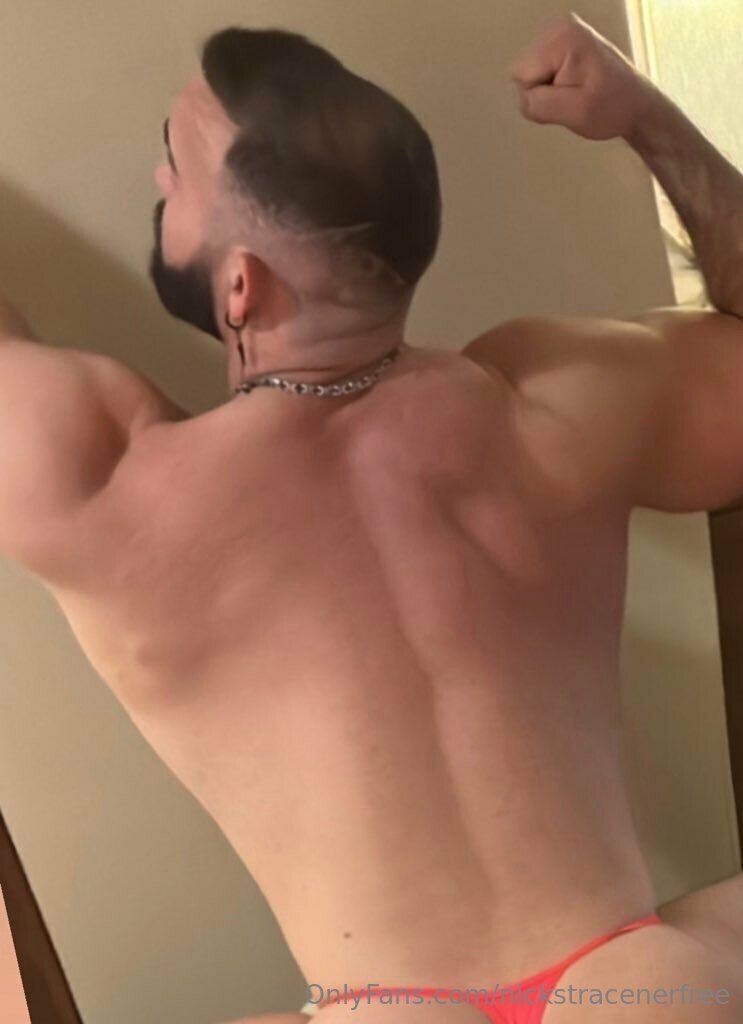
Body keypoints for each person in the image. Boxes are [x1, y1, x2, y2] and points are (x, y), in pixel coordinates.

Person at [0, 11, 741, 1023]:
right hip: (641, 988)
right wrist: (647, 118)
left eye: (173, 168)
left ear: (239, 286)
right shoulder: (554, 404)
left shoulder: (111, 488)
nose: (160, 178)